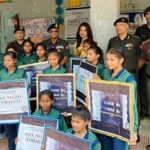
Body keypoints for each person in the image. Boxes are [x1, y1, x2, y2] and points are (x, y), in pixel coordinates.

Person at [99, 47, 138, 150]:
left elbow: (132, 105)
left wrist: (134, 130)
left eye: (112, 59)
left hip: (121, 124)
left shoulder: (128, 79)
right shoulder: (108, 75)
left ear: (121, 60)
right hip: (107, 121)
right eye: (107, 59)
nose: (108, 62)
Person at [0, 51, 27, 150]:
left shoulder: (22, 73)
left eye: (9, 60)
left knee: (20, 135)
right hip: (6, 110)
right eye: (5, 60)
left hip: (20, 110)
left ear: (15, 61)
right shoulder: (1, 73)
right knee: (10, 136)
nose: (6, 62)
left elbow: (26, 88)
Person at [134, 6, 150, 119]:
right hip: (144, 62)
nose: (149, 16)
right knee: (143, 88)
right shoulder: (140, 29)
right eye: (147, 14)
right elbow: (136, 45)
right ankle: (144, 111)